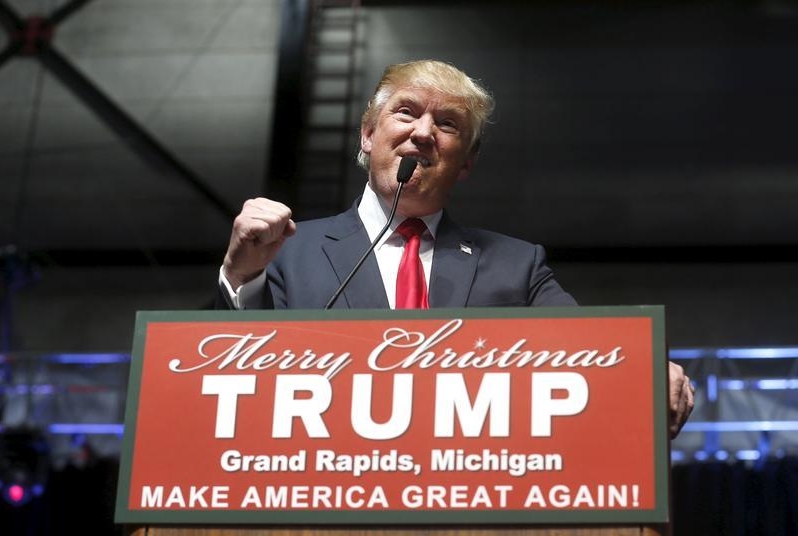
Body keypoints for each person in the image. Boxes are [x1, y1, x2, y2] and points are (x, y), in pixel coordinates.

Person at [217, 59, 694, 437]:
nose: (423, 132)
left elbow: (584, 350)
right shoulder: (289, 250)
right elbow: (241, 380)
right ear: (367, 134)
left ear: (466, 162)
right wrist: (241, 276)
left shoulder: (516, 265)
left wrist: (643, 372)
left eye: (447, 123)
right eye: (406, 112)